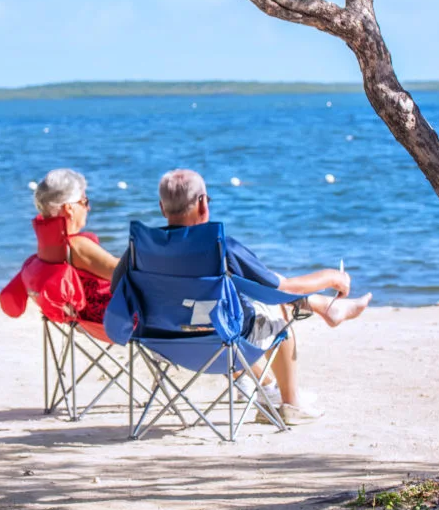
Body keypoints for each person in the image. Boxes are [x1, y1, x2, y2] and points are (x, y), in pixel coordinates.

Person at [127, 168, 372, 422]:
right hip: (221, 347)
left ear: (162, 207)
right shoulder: (221, 247)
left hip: (161, 344)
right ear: (202, 204)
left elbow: (121, 289)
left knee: (228, 298)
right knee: (276, 306)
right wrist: (333, 277)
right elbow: (283, 289)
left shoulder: (140, 248)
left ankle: (322, 310)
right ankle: (291, 402)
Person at [1, 168, 120, 324]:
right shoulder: (76, 246)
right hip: (115, 318)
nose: (88, 208)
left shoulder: (49, 248)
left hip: (80, 318)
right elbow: (121, 273)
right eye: (84, 202)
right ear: (69, 208)